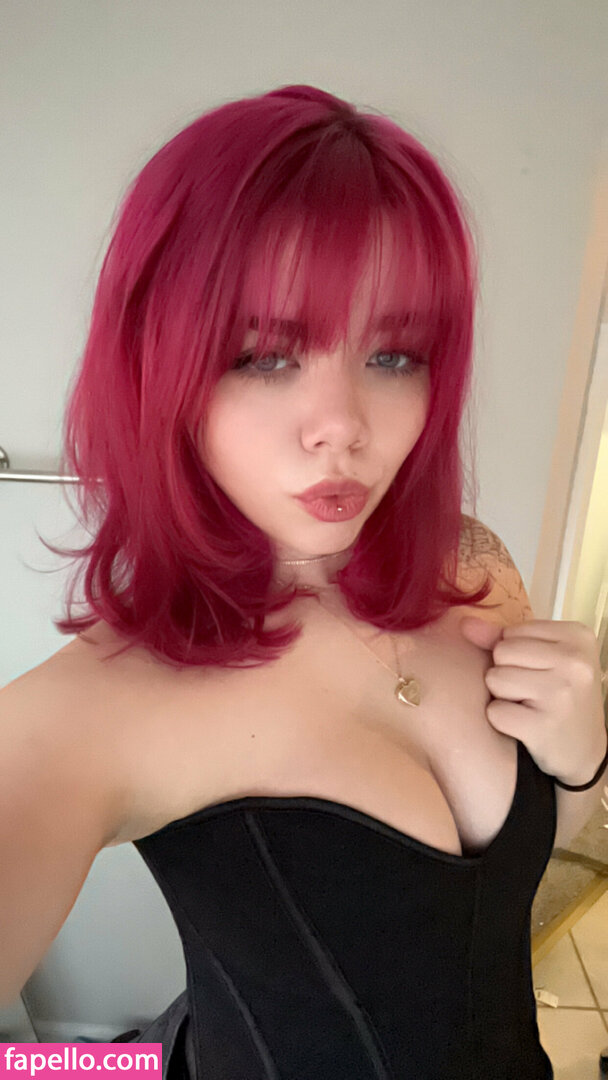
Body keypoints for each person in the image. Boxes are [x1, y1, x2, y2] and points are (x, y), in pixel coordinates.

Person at [2, 84, 607, 1080]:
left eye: (392, 354)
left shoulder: (472, 564)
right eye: (264, 356)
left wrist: (582, 762)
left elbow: (523, 870)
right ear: (160, 365)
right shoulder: (91, 711)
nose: (343, 426)